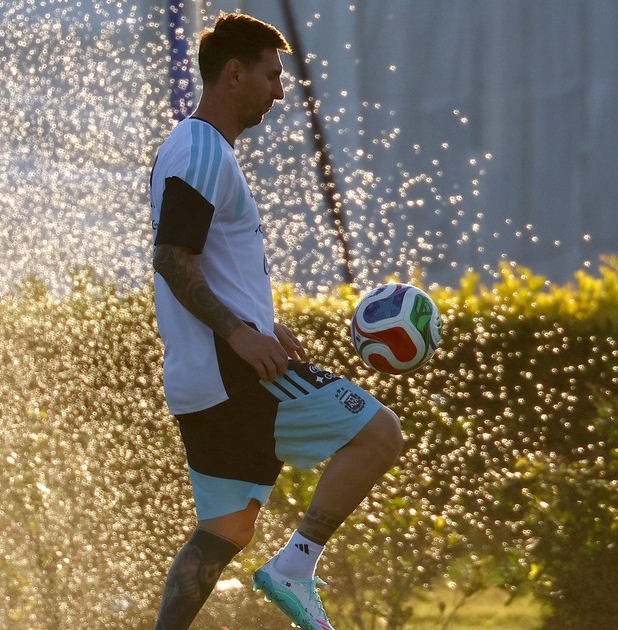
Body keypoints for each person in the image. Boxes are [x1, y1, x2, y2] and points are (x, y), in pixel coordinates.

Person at [148, 12, 403, 630]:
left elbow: (207, 263)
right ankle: (295, 566)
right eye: (271, 76)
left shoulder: (198, 148)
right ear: (234, 74)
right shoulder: (201, 149)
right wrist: (240, 334)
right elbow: (173, 258)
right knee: (379, 434)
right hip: (232, 374)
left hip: (201, 380)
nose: (280, 92)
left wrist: (262, 321)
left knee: (225, 529)